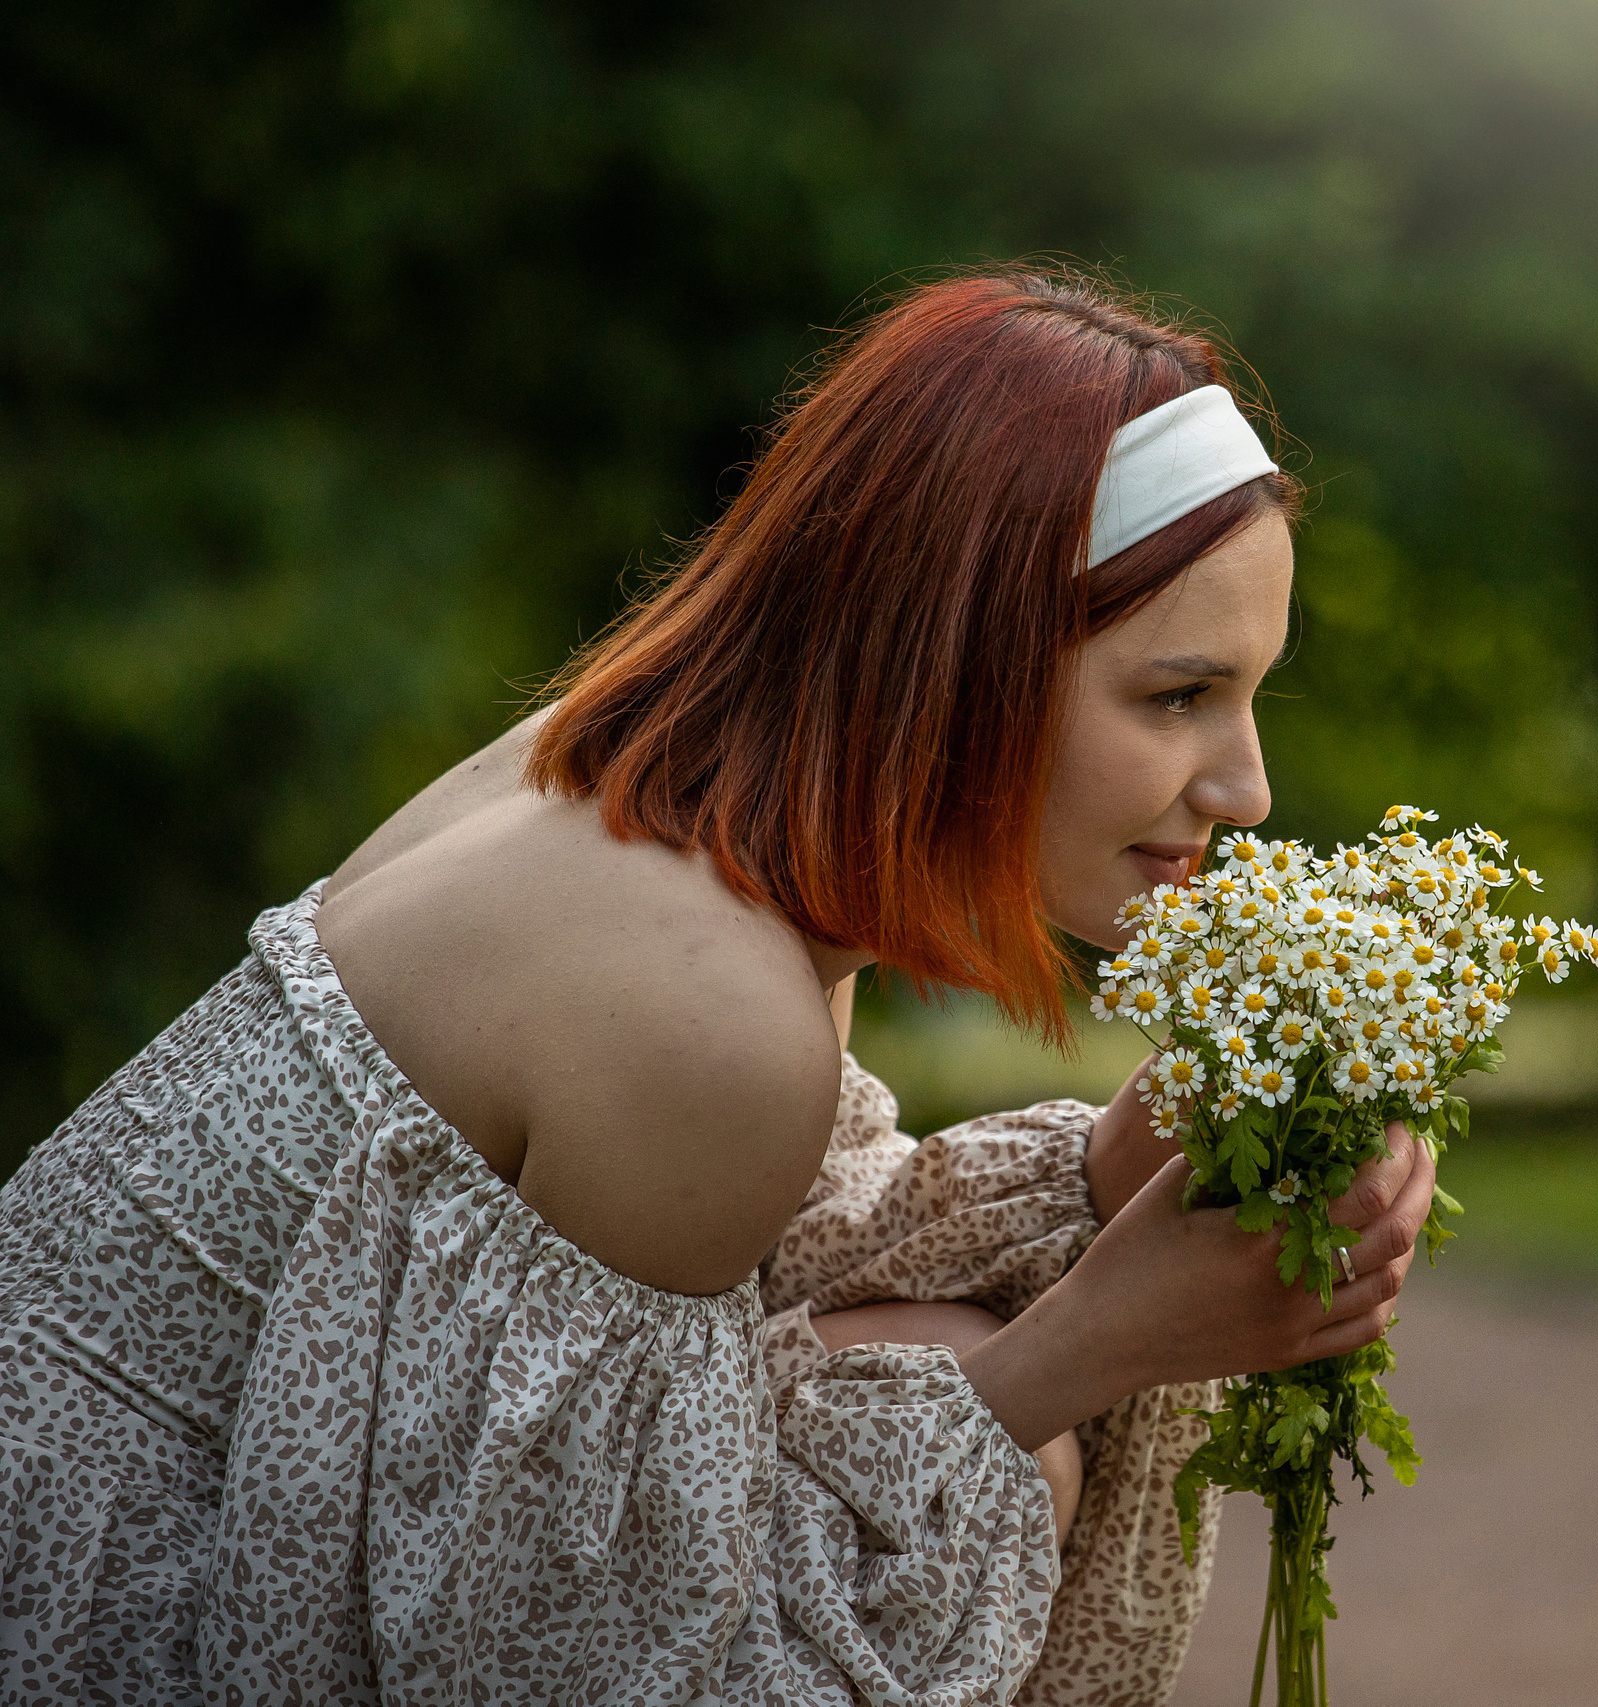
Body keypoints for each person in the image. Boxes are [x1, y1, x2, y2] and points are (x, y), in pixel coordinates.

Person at [0, 270, 1436, 1705]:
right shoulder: (703, 999)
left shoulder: (664, 798)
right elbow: (572, 1670)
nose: (1247, 787)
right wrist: (1100, 1338)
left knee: (948, 1381)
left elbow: (751, 1283)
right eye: (1178, 695)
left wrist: (1107, 1173)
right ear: (958, 664)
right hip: (93, 1611)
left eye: (1250, 693)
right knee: (985, 1436)